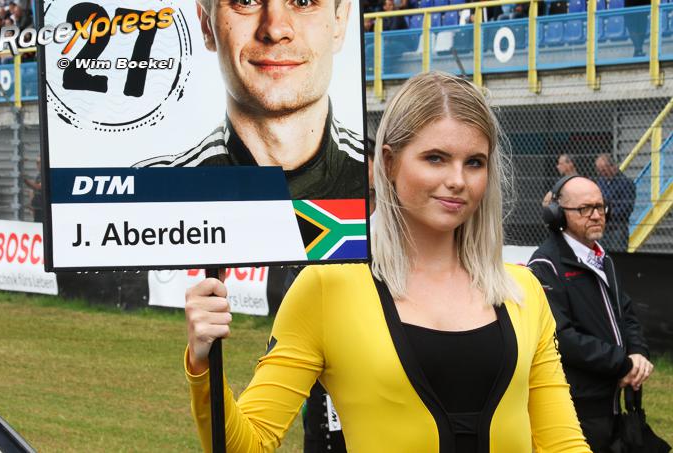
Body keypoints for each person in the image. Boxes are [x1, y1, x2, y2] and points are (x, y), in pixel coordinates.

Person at [183, 71, 590, 452]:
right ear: (389, 163)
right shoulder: (328, 287)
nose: (457, 180)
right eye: (435, 158)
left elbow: (563, 444)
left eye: (474, 162)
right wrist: (203, 366)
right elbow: (248, 444)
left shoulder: (523, 291)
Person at [135, 0, 365, 201]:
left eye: (303, 1)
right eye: (245, 1)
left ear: (340, 21)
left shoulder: (380, 176)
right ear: (207, 24)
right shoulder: (148, 193)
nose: (275, 29)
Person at [529, 175, 653, 453]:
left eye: (600, 206)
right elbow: (562, 338)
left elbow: (626, 312)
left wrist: (638, 353)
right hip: (578, 405)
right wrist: (622, 364)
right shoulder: (545, 265)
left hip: (613, 400)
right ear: (558, 215)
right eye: (584, 208)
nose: (596, 215)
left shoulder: (602, 258)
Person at [595, 153, 635, 252]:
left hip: (618, 227)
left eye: (603, 170)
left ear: (612, 167)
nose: (601, 173)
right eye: (599, 170)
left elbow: (627, 208)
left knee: (618, 254)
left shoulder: (626, 183)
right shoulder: (600, 182)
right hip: (602, 226)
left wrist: (607, 212)